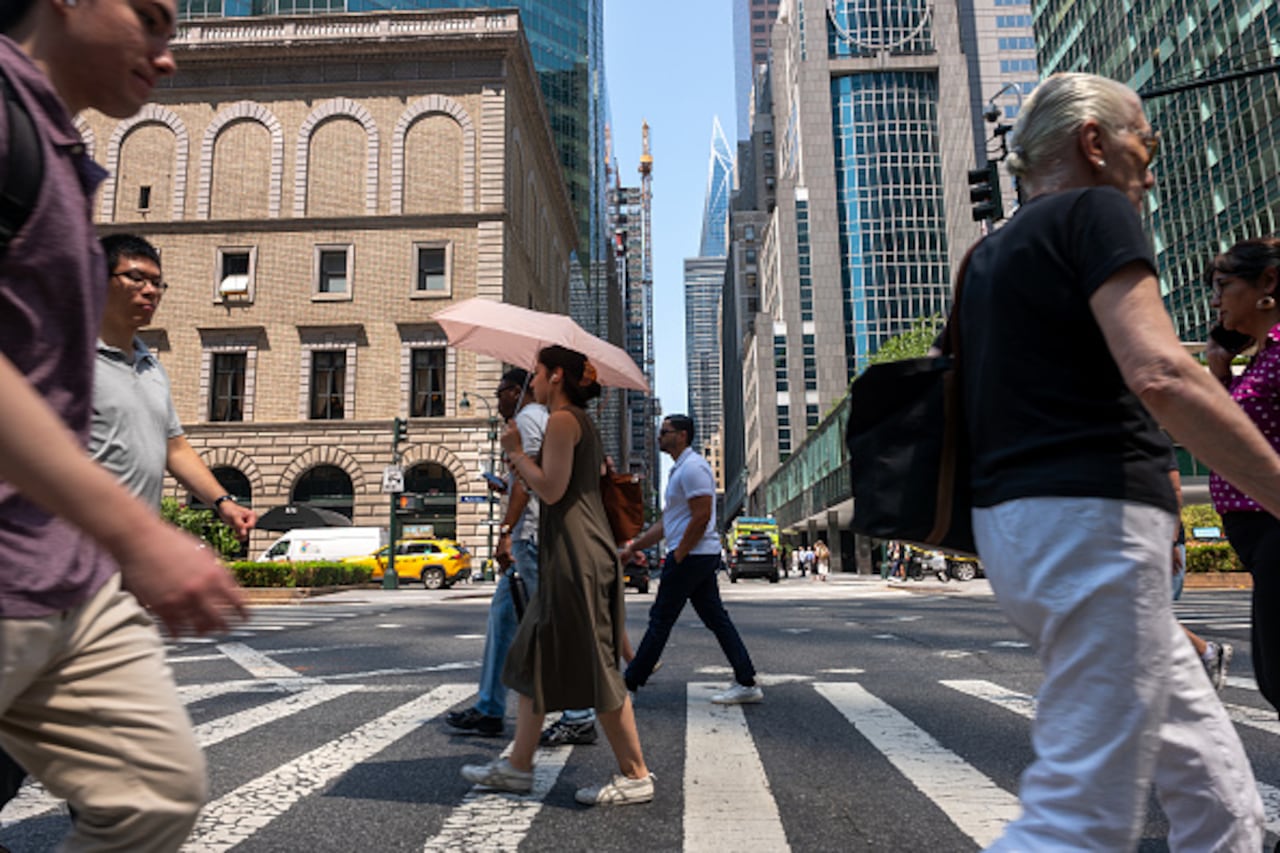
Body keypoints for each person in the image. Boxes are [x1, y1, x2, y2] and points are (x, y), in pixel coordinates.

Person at [961, 72, 1274, 850]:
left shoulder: (987, 255)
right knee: (1081, 815)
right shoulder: (1094, 209)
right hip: (1090, 518)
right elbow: (1159, 373)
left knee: (1217, 793)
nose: (1152, 163)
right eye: (1145, 140)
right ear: (1094, 143)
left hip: (1017, 525)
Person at [0, 2, 245, 849]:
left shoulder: (66, 161)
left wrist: (216, 509)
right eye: (150, 19)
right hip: (45, 562)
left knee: (153, 791)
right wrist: (136, 535)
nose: (167, 55)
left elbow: (174, 444)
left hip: (61, 573)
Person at [460, 346, 653, 806]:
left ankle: (636, 774)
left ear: (558, 376)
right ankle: (518, 766)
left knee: (595, 665)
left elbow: (551, 488)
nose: (535, 381)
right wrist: (521, 466)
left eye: (539, 373)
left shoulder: (565, 422)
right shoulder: (569, 423)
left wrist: (517, 456)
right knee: (530, 659)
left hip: (578, 556)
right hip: (564, 553)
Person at [621, 414, 762, 705]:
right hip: (696, 556)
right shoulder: (680, 470)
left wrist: (680, 553)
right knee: (715, 619)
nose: (659, 436)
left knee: (660, 619)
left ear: (682, 435)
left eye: (665, 431)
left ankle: (630, 683)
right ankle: (746, 681)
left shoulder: (694, 468)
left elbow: (701, 516)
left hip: (693, 556)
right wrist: (633, 546)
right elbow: (666, 524)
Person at [1206, 236, 1280, 715]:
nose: (1215, 300)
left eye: (1224, 285)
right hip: (1257, 535)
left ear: (1267, 283)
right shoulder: (1255, 360)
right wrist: (1220, 371)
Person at [1169, 463, 1232, 690]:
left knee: (1140, 614)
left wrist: (1172, 541)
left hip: (1160, 542)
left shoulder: (1148, 438)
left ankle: (1205, 653)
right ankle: (1206, 653)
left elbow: (1175, 491)